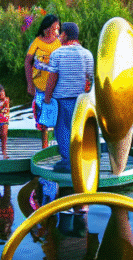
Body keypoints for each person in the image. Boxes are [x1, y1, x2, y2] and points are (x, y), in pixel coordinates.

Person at [36, 21, 94, 172]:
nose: (59, 36)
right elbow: (89, 80)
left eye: (60, 34)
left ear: (65, 35)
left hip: (62, 100)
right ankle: (80, 160)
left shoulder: (58, 54)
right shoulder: (87, 55)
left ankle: (67, 162)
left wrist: (47, 99)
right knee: (78, 130)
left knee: (62, 131)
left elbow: (52, 79)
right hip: (82, 102)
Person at [25, 13, 61, 148]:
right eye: (53, 27)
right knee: (42, 117)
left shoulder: (59, 42)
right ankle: (44, 147)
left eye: (57, 28)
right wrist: (29, 84)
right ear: (46, 28)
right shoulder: (37, 41)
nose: (55, 30)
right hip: (39, 86)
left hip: (56, 87)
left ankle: (59, 146)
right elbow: (27, 61)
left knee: (57, 115)